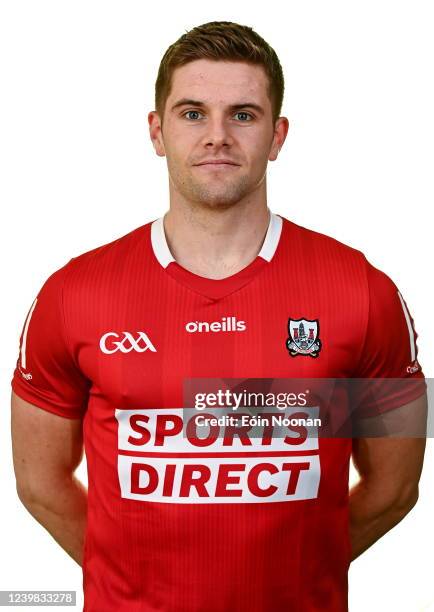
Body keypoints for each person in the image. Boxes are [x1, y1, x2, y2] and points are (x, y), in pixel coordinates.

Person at [10, 20, 427, 612]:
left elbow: (395, 487)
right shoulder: (74, 293)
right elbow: (39, 484)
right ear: (157, 132)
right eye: (191, 113)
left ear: (278, 135)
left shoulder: (361, 291)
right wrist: (131, 579)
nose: (217, 136)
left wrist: (296, 573)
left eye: (243, 114)